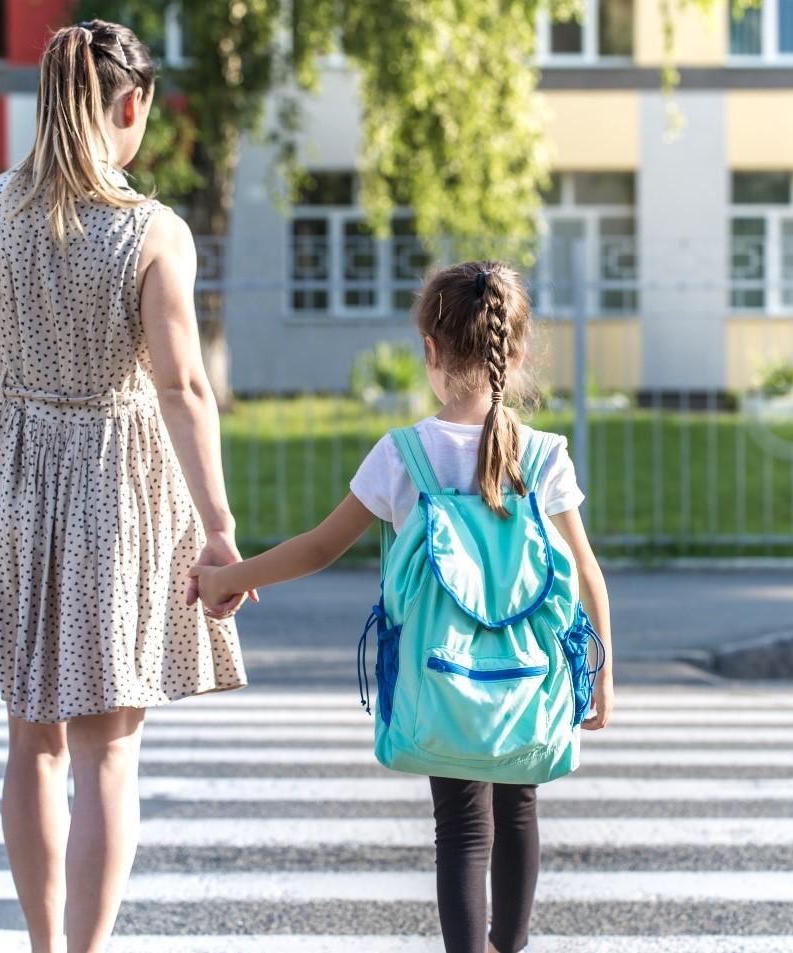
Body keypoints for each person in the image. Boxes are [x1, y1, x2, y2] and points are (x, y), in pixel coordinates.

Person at [0, 19, 251, 953]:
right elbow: (181, 388)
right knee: (109, 749)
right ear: (131, 103)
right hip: (118, 484)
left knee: (33, 739)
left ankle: (43, 944)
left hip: (8, 479)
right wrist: (219, 529)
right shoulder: (150, 231)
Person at [191, 259, 615, 953]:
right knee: (518, 808)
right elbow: (586, 572)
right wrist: (601, 670)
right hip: (530, 677)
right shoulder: (542, 455)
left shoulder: (404, 455)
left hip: (437, 675)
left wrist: (226, 578)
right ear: (517, 349)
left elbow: (321, 546)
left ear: (430, 349)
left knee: (460, 825)